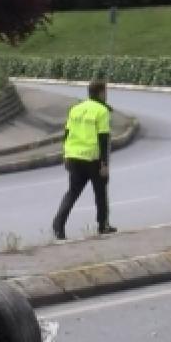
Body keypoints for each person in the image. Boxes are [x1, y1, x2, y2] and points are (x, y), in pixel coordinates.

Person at [52, 79, 117, 240]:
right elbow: (103, 139)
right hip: (92, 158)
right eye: (105, 92)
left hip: (73, 156)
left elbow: (66, 134)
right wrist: (104, 164)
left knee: (72, 192)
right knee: (100, 193)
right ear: (101, 92)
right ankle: (103, 225)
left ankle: (58, 225)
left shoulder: (75, 109)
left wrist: (65, 155)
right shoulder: (101, 111)